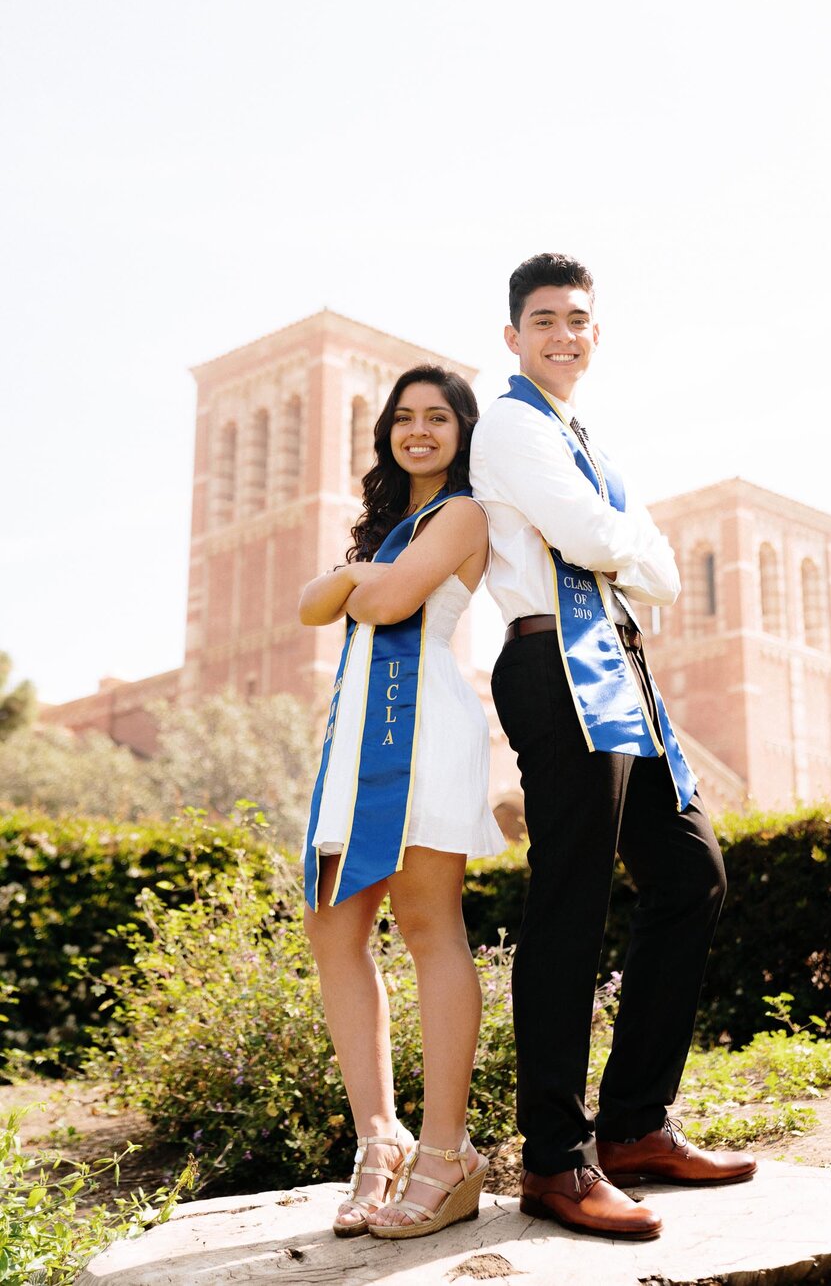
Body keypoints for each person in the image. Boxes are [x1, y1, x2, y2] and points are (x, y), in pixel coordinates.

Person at [470, 254, 756, 1242]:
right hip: (556, 665)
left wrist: (627, 545)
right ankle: (555, 1160)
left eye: (578, 319)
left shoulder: (578, 433)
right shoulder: (508, 422)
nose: (562, 333)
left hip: (616, 666)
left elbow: (643, 569)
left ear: (595, 335)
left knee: (689, 874)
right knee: (571, 897)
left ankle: (634, 1123)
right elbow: (597, 540)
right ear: (513, 336)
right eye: (542, 318)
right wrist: (631, 542)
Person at [300, 364, 505, 1242]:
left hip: (422, 737)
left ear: (464, 432)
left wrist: (354, 582)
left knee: (429, 927)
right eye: (404, 417)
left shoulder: (461, 514)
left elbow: (377, 599)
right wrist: (351, 581)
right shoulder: (387, 526)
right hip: (356, 741)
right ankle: (377, 1139)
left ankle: (445, 1150)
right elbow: (314, 606)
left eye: (438, 418)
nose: (419, 430)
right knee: (333, 928)